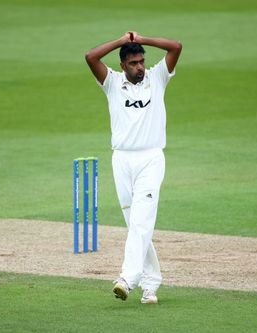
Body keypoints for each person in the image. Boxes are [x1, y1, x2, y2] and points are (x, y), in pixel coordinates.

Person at [85, 32, 182, 304]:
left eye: (142, 61)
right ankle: (150, 285)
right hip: (122, 160)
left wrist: (142, 39)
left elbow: (176, 46)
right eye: (134, 63)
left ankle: (127, 279)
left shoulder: (157, 77)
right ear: (122, 65)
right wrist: (119, 41)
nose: (140, 67)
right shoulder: (112, 83)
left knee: (141, 220)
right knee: (136, 224)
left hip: (151, 158)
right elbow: (90, 57)